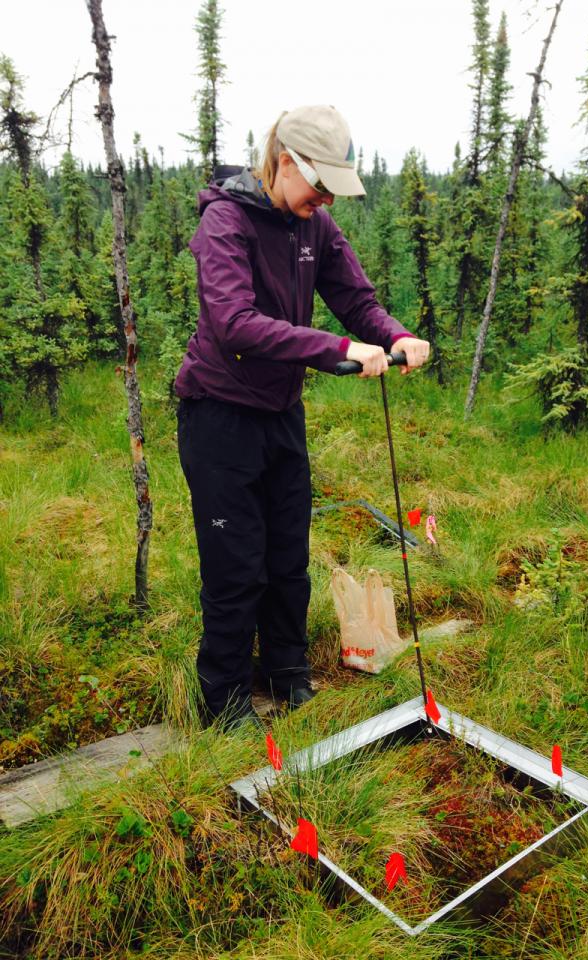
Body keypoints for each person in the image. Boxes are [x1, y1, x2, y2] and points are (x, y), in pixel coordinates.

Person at [175, 104, 430, 727]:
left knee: (287, 554)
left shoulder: (312, 225)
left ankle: (285, 673)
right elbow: (235, 324)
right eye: (320, 187)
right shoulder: (226, 222)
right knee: (236, 567)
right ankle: (226, 703)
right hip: (218, 417)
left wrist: (394, 335)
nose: (328, 202)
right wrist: (336, 350)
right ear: (285, 162)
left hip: (280, 413)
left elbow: (354, 297)